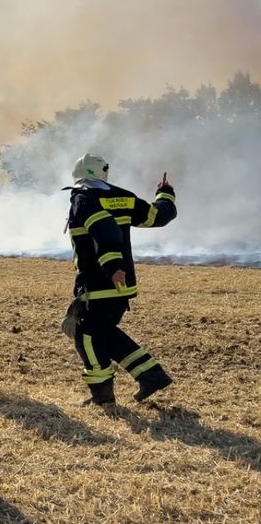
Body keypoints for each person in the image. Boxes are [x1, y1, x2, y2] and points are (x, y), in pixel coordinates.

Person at [64, 153, 177, 405]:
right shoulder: (123, 197)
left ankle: (103, 396)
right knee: (103, 333)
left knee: (88, 335)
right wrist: (166, 194)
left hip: (100, 281)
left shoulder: (84, 198)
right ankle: (150, 375)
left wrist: (113, 265)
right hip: (120, 284)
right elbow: (158, 216)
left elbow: (104, 230)